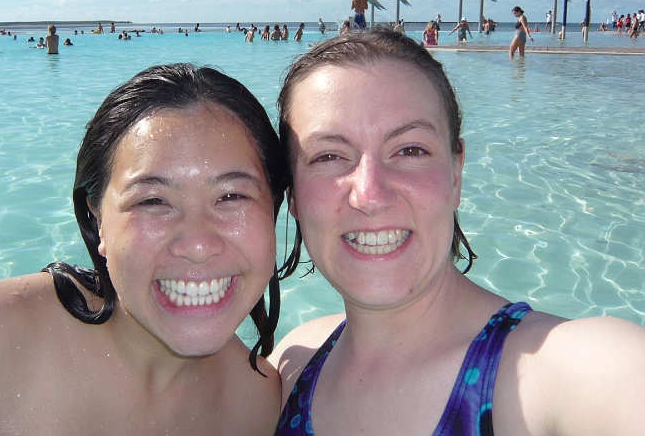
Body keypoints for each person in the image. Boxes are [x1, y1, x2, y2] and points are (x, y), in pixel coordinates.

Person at [0, 63, 288, 436]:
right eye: (152, 201)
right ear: (97, 221)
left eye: (231, 197)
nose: (197, 244)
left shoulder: (257, 403)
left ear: (275, 209)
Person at [269, 28, 645, 436]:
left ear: (456, 175)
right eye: (329, 156)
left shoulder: (571, 369)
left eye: (410, 150)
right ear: (293, 196)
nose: (371, 195)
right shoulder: (292, 364)